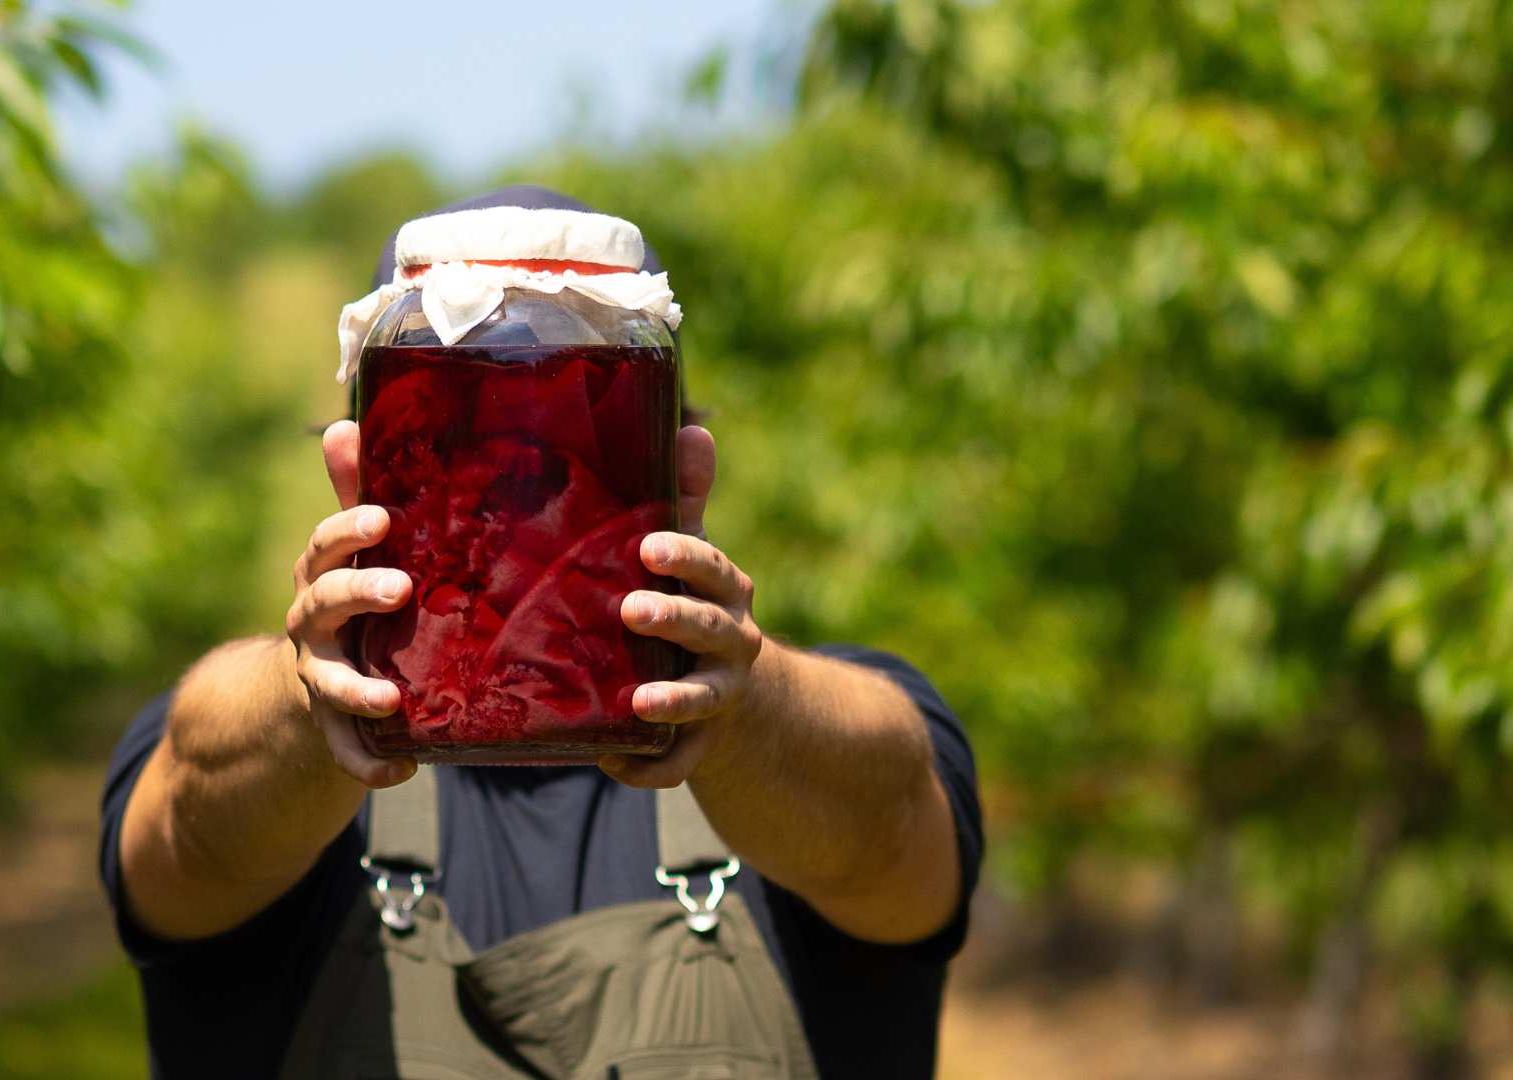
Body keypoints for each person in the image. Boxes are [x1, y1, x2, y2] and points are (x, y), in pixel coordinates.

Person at [98, 187, 984, 1079]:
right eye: (457, 445)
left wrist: (742, 707)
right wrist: (306, 700)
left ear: (674, 463)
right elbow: (189, 818)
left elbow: (894, 823)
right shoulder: (275, 758)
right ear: (360, 469)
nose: (514, 510)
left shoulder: (797, 741)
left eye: (563, 456)